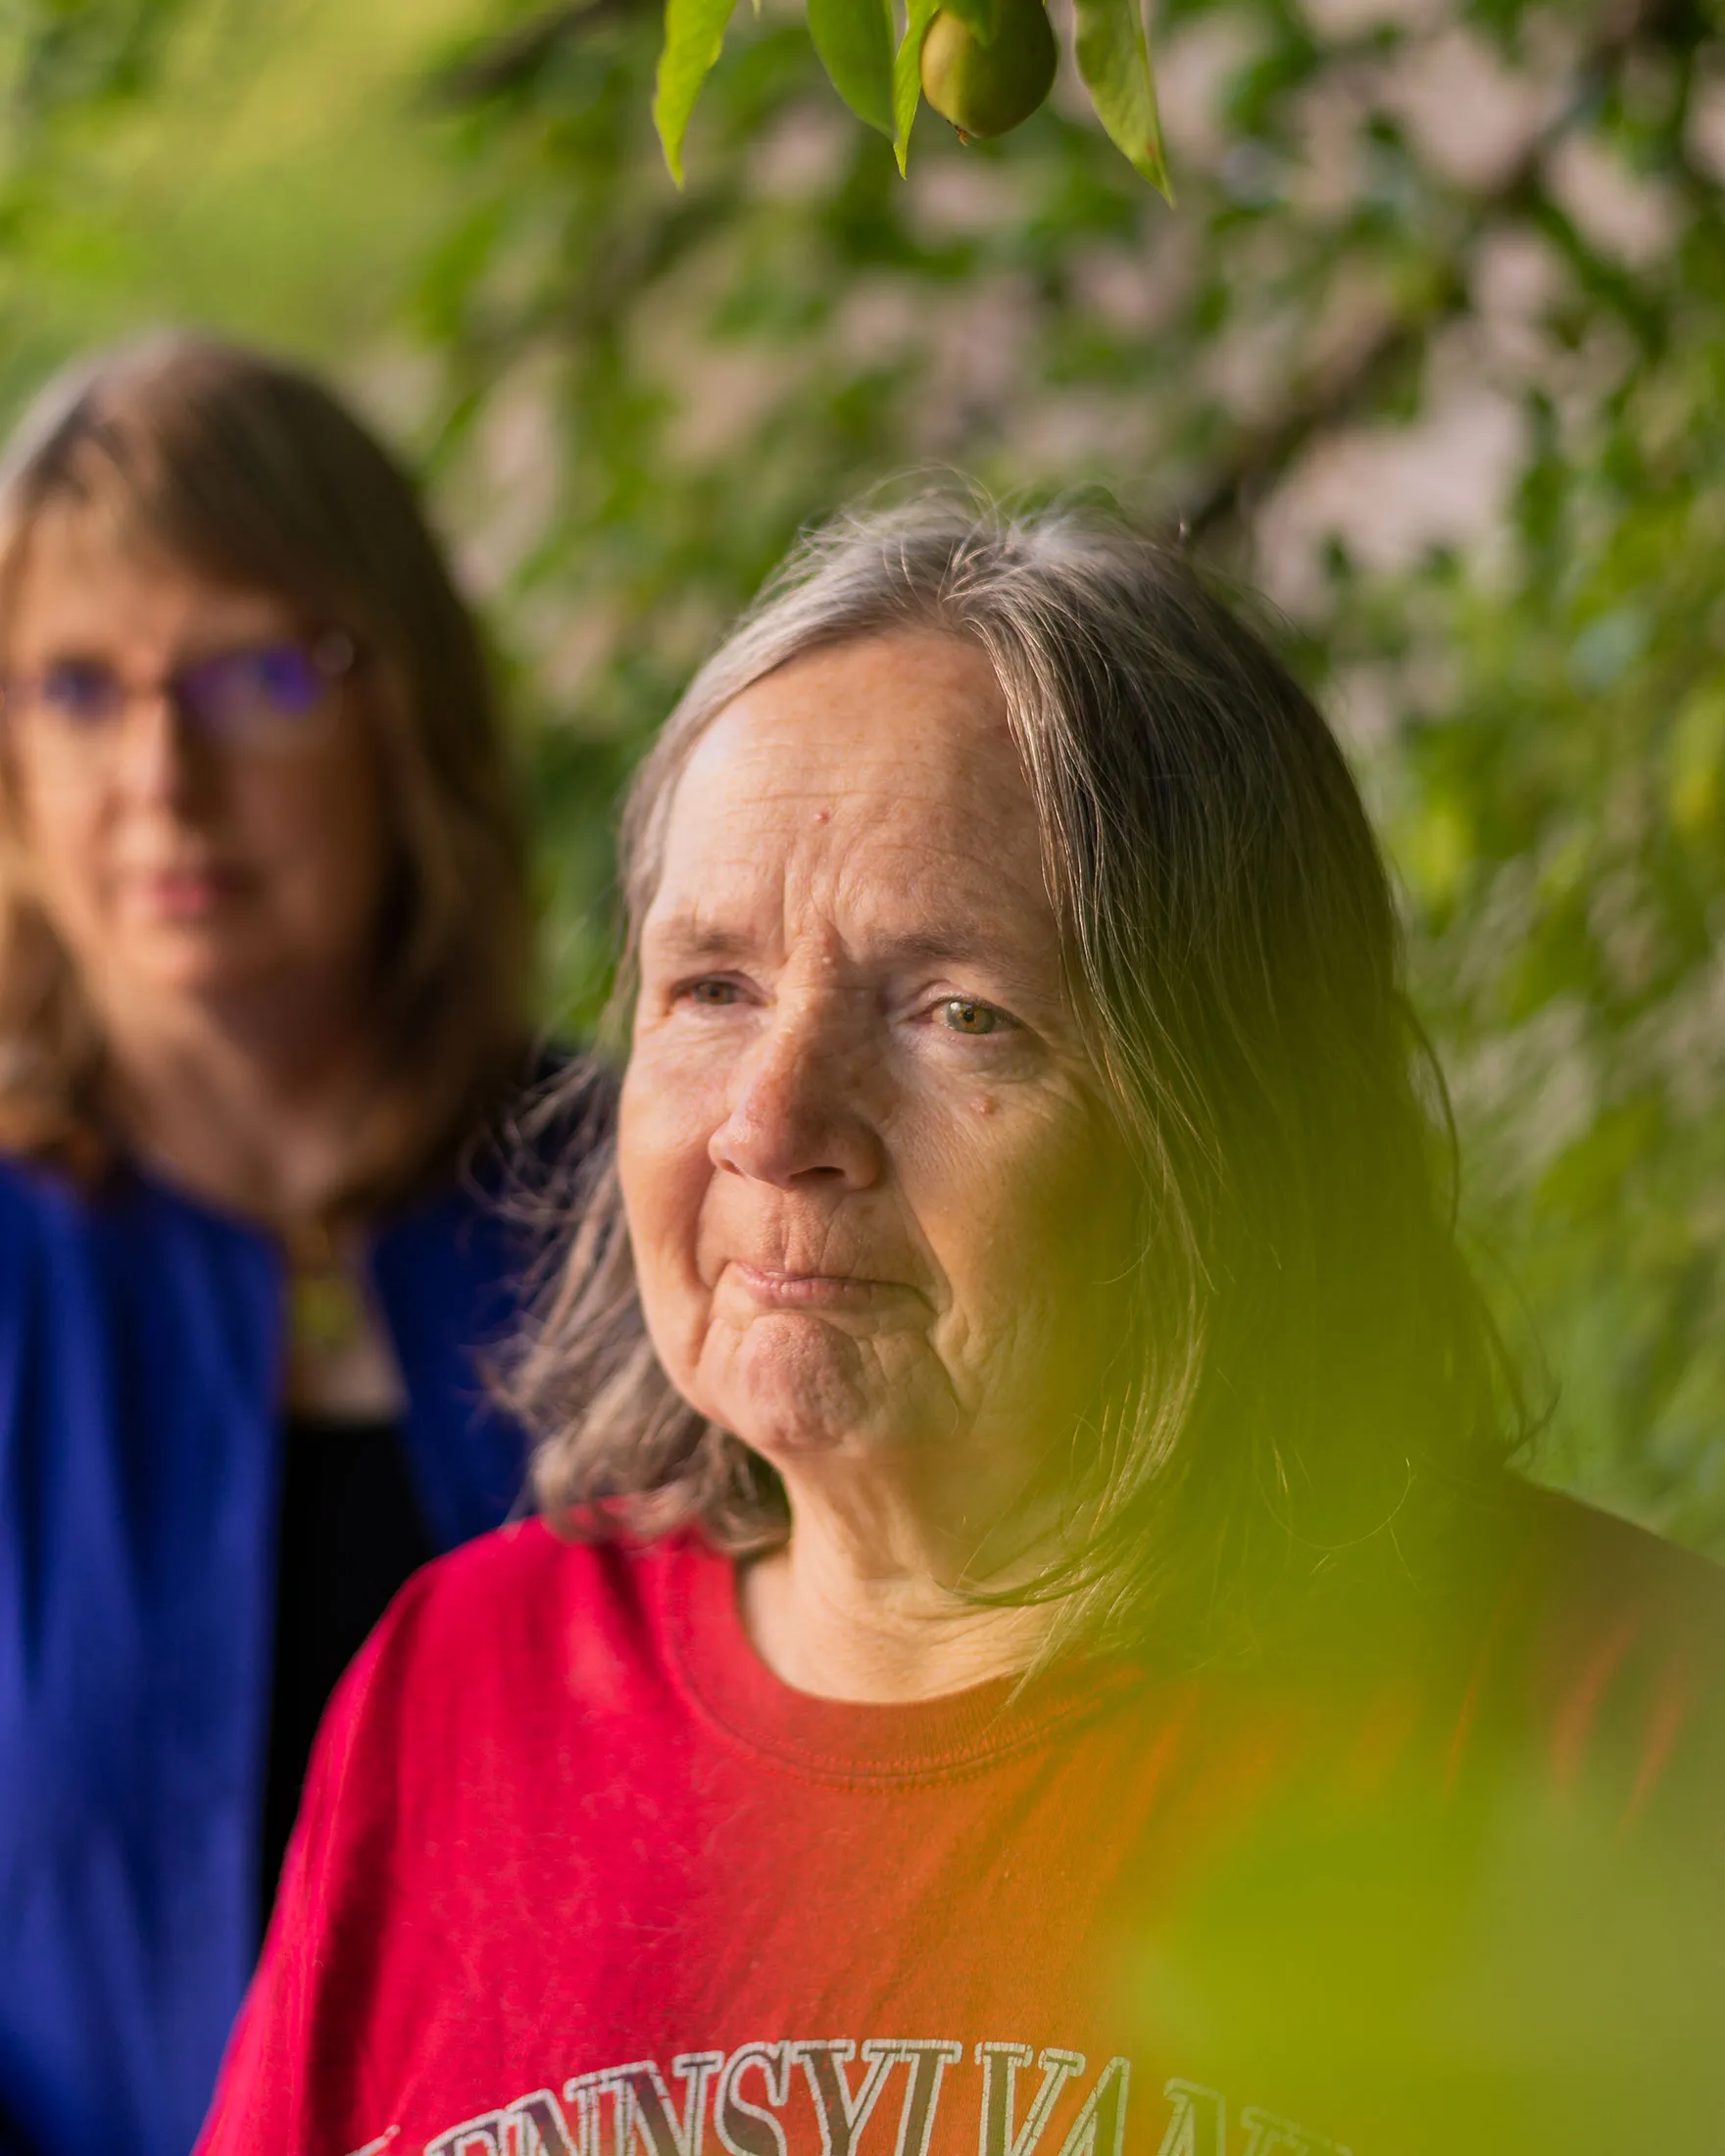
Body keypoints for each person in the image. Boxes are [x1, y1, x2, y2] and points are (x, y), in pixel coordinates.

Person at [199, 500, 1725, 2156]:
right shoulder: (463, 1690)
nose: (775, 1123)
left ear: (1229, 1116)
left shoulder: (1613, 1725)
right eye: (711, 987)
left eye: (958, 1014)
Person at [0, 335, 549, 2156]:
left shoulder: (675, 1205)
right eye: (73, 687)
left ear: (404, 714)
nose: (160, 769)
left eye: (249, 670)